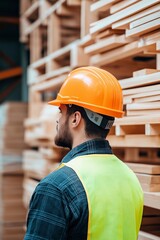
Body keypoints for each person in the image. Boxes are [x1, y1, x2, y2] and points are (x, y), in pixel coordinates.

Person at [24, 66, 143, 240]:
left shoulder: (56, 187)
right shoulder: (131, 179)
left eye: (61, 111)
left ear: (75, 119)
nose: (57, 119)